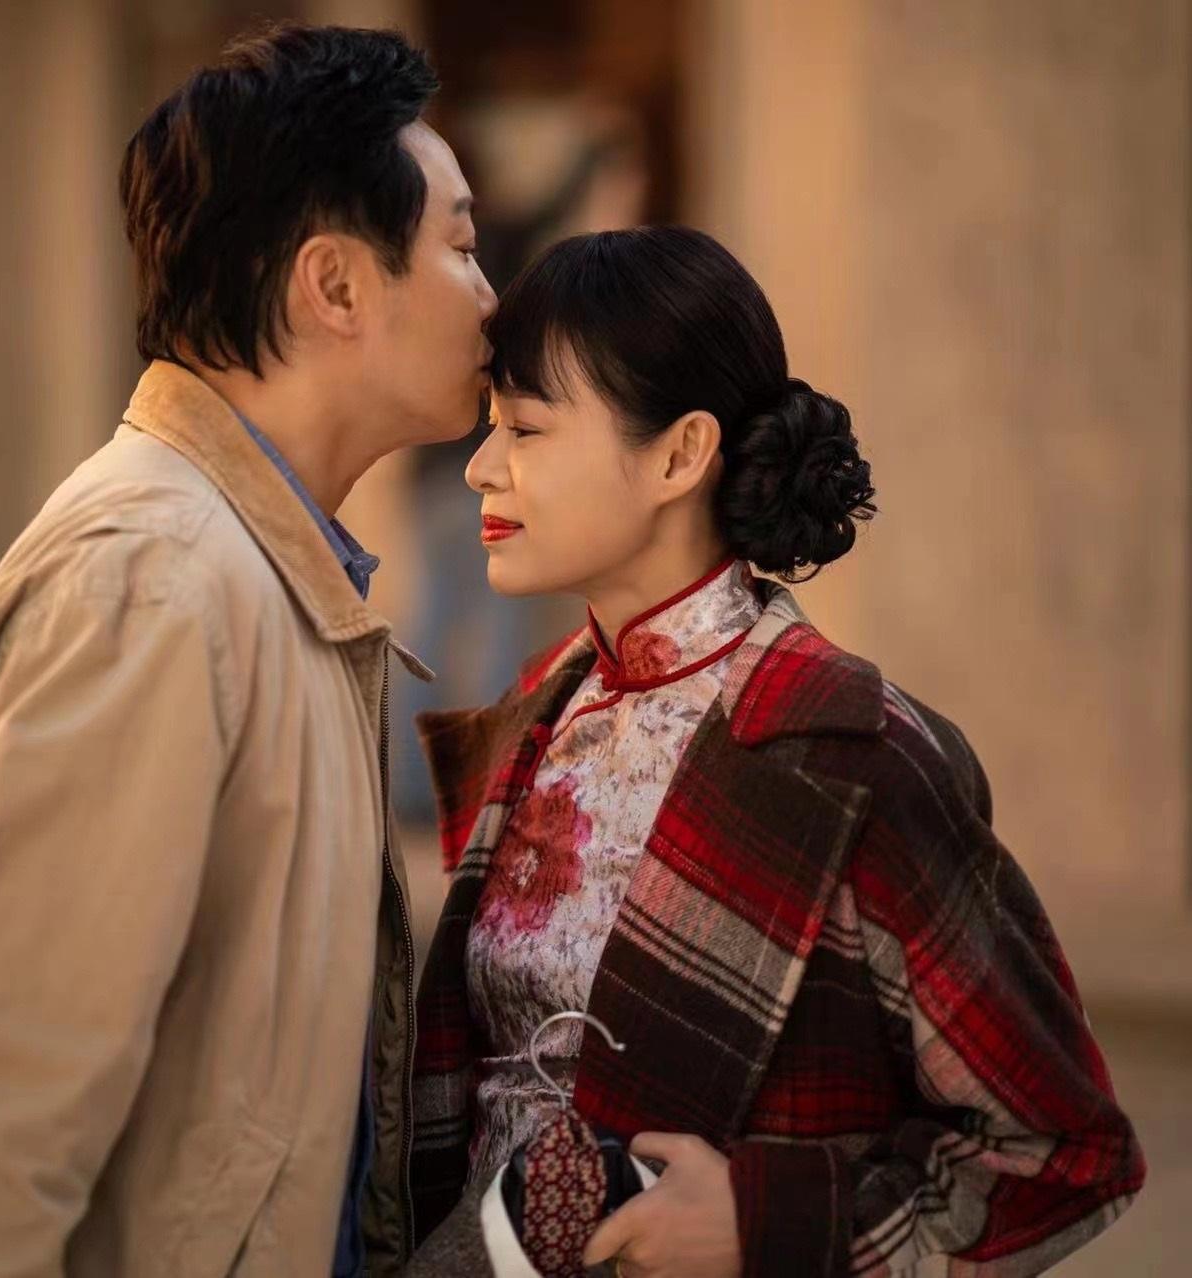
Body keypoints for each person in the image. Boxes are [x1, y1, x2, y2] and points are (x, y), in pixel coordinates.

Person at [0, 23, 495, 1277]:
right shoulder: (157, 582)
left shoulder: (256, 572)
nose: (489, 295)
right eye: (460, 247)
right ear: (335, 287)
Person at [385, 226, 1144, 1275]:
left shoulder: (855, 753)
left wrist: (768, 1226)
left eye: (523, 428)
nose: (479, 468)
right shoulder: (531, 717)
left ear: (679, 454)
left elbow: (1061, 1151)